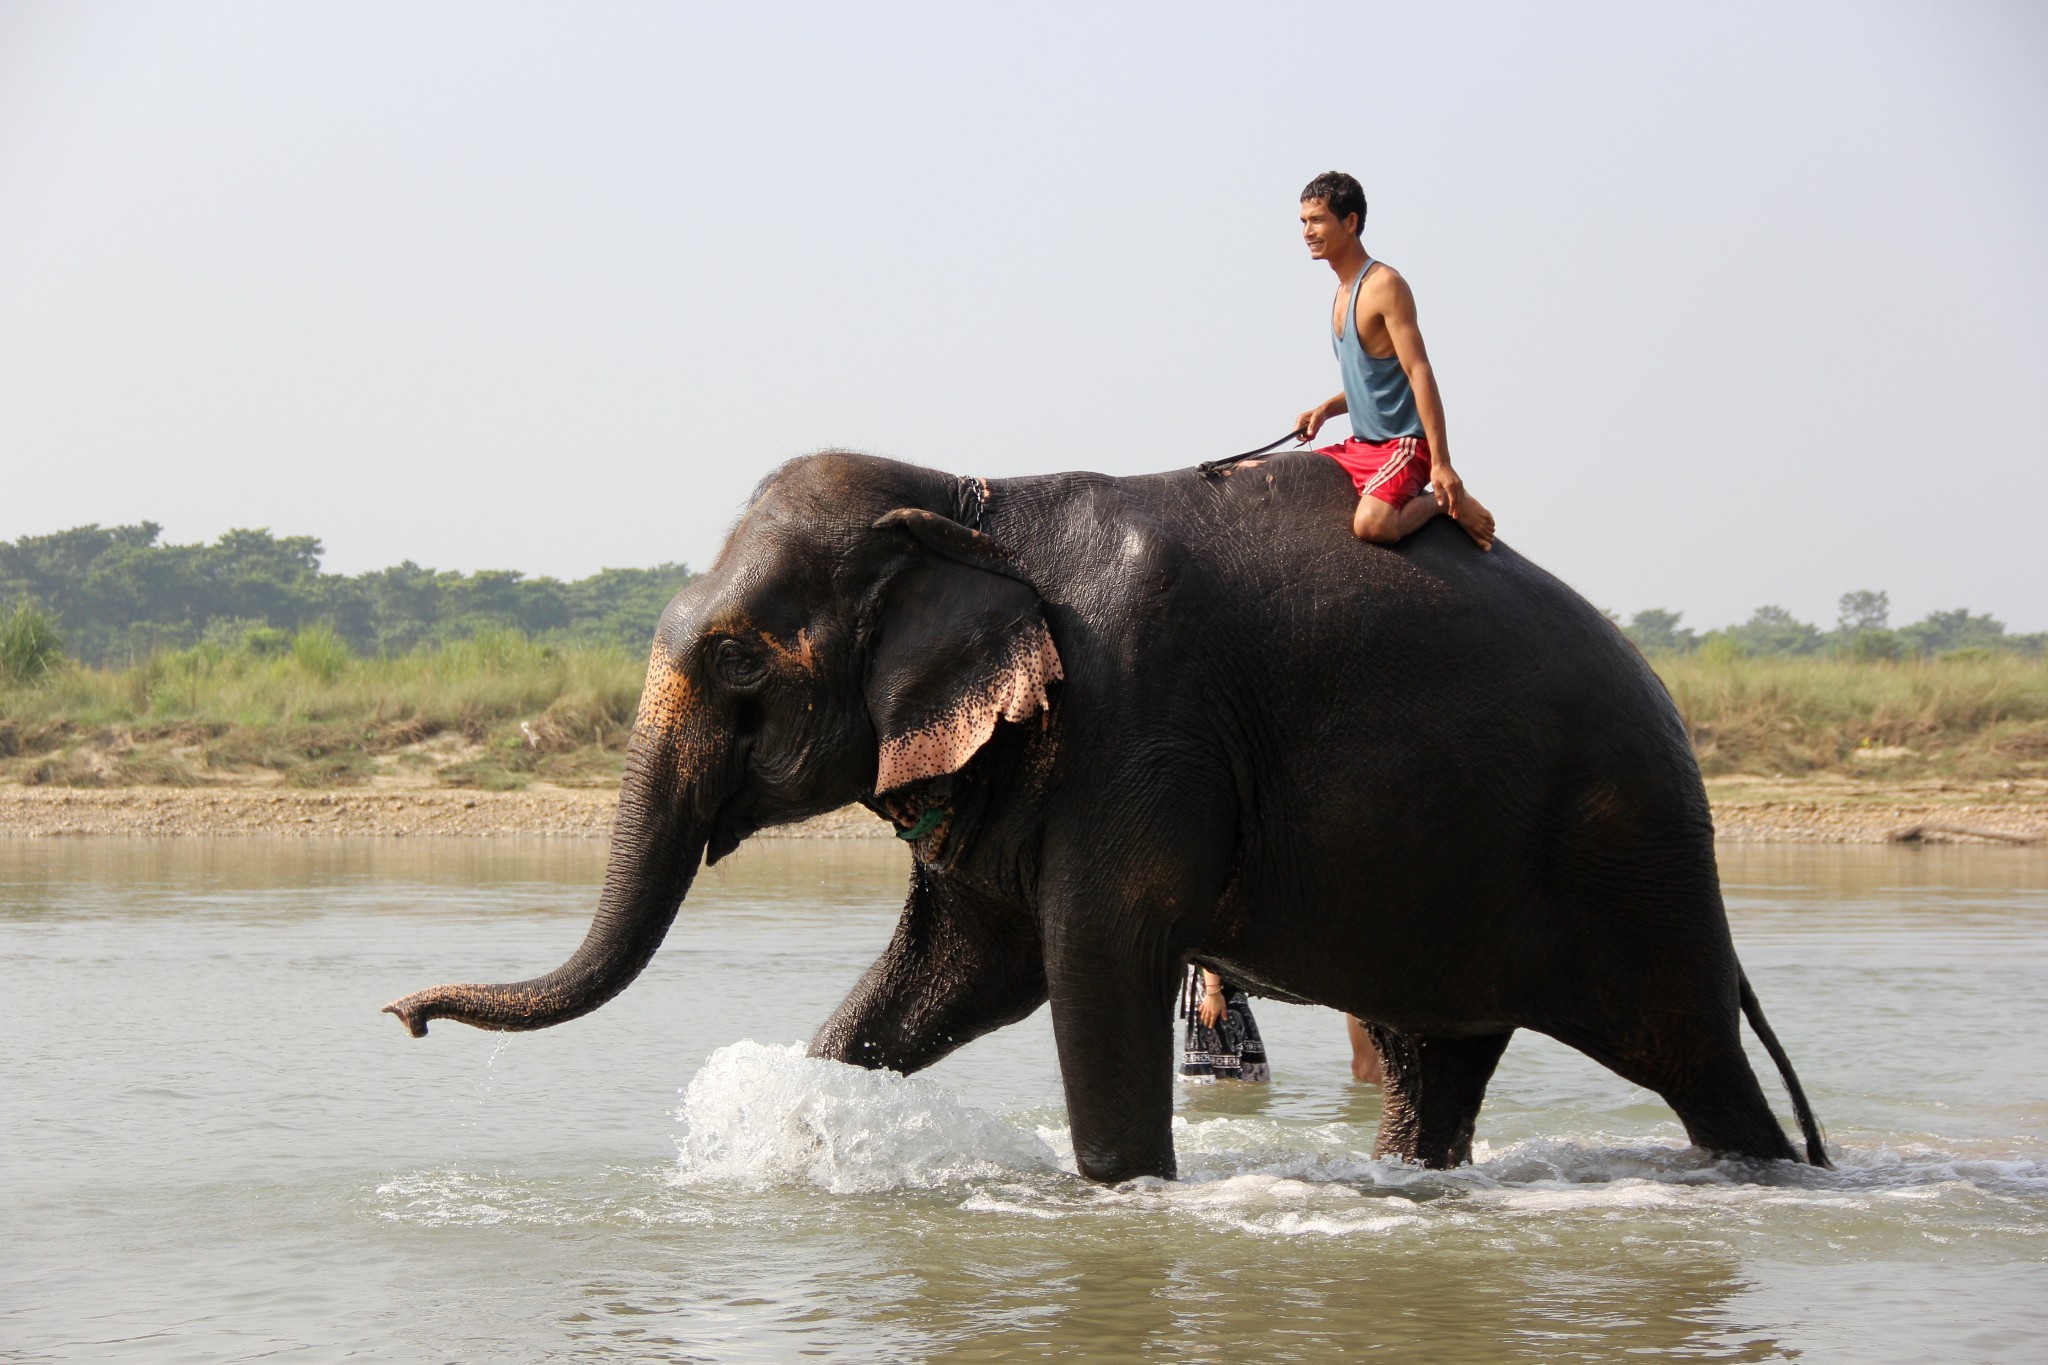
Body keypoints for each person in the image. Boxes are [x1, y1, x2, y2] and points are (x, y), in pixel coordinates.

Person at [1292, 170, 1495, 550]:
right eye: (1303, 221)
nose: (1307, 231)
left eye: (1317, 219)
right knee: (1287, 476)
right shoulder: (1341, 292)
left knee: (1373, 526)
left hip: (1402, 445)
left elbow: (1418, 373)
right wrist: (1324, 409)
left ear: (1350, 222)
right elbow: (1374, 383)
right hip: (1361, 445)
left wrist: (1442, 464)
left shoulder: (1385, 285)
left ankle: (1440, 504)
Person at [1178, 965, 1270, 1082]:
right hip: (1215, 991)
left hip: (1220, 986)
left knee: (1240, 1077)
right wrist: (1213, 990)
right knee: (1231, 1078)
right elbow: (1207, 949)